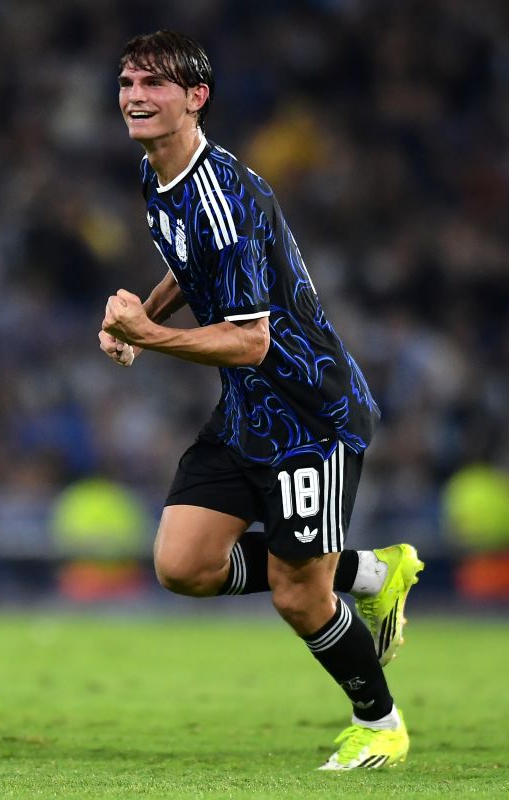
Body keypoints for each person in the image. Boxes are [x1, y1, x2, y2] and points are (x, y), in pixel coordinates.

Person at [99, 30, 425, 770]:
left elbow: (252, 342)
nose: (136, 97)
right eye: (127, 83)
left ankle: (381, 724)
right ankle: (371, 573)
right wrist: (143, 319)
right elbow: (191, 266)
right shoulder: (157, 177)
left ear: (196, 98)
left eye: (155, 85)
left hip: (312, 418)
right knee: (183, 563)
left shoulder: (227, 196)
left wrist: (147, 336)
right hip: (249, 411)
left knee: (297, 595)